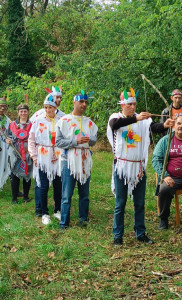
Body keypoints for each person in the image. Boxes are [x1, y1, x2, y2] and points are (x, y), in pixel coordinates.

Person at [107, 89, 174, 246]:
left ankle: (140, 233)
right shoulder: (116, 117)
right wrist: (136, 118)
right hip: (122, 166)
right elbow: (115, 125)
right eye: (130, 104)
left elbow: (155, 127)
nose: (133, 106)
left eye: (134, 104)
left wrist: (165, 124)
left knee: (139, 203)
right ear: (122, 105)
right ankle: (118, 235)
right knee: (120, 202)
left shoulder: (143, 121)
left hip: (138, 167)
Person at [56, 91, 98, 229]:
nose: (84, 104)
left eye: (86, 102)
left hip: (85, 159)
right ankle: (64, 223)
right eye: (81, 102)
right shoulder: (64, 121)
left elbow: (93, 142)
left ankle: (83, 219)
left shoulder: (89, 122)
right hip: (68, 159)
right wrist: (76, 141)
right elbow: (59, 142)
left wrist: (89, 140)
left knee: (84, 193)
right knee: (67, 194)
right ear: (74, 102)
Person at [30, 87, 65, 217]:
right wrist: (34, 156)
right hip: (43, 156)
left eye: (50, 107)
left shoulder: (61, 121)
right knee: (43, 186)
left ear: (55, 108)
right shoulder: (38, 121)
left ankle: (57, 210)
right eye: (45, 107)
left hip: (58, 155)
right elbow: (31, 139)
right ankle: (44, 213)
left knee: (58, 185)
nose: (48, 110)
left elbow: (65, 138)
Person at [6, 104, 33, 204]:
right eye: (21, 111)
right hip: (15, 152)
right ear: (18, 113)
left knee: (27, 175)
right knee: (14, 175)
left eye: (25, 111)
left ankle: (26, 197)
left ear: (28, 112)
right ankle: (14, 198)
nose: (23, 113)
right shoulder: (12, 125)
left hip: (27, 153)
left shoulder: (32, 125)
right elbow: (8, 136)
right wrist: (7, 140)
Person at [0, 98, 12, 190]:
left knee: (3, 164)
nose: (2, 108)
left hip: (4, 145)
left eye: (4, 106)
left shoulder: (7, 119)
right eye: (0, 106)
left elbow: (10, 132)